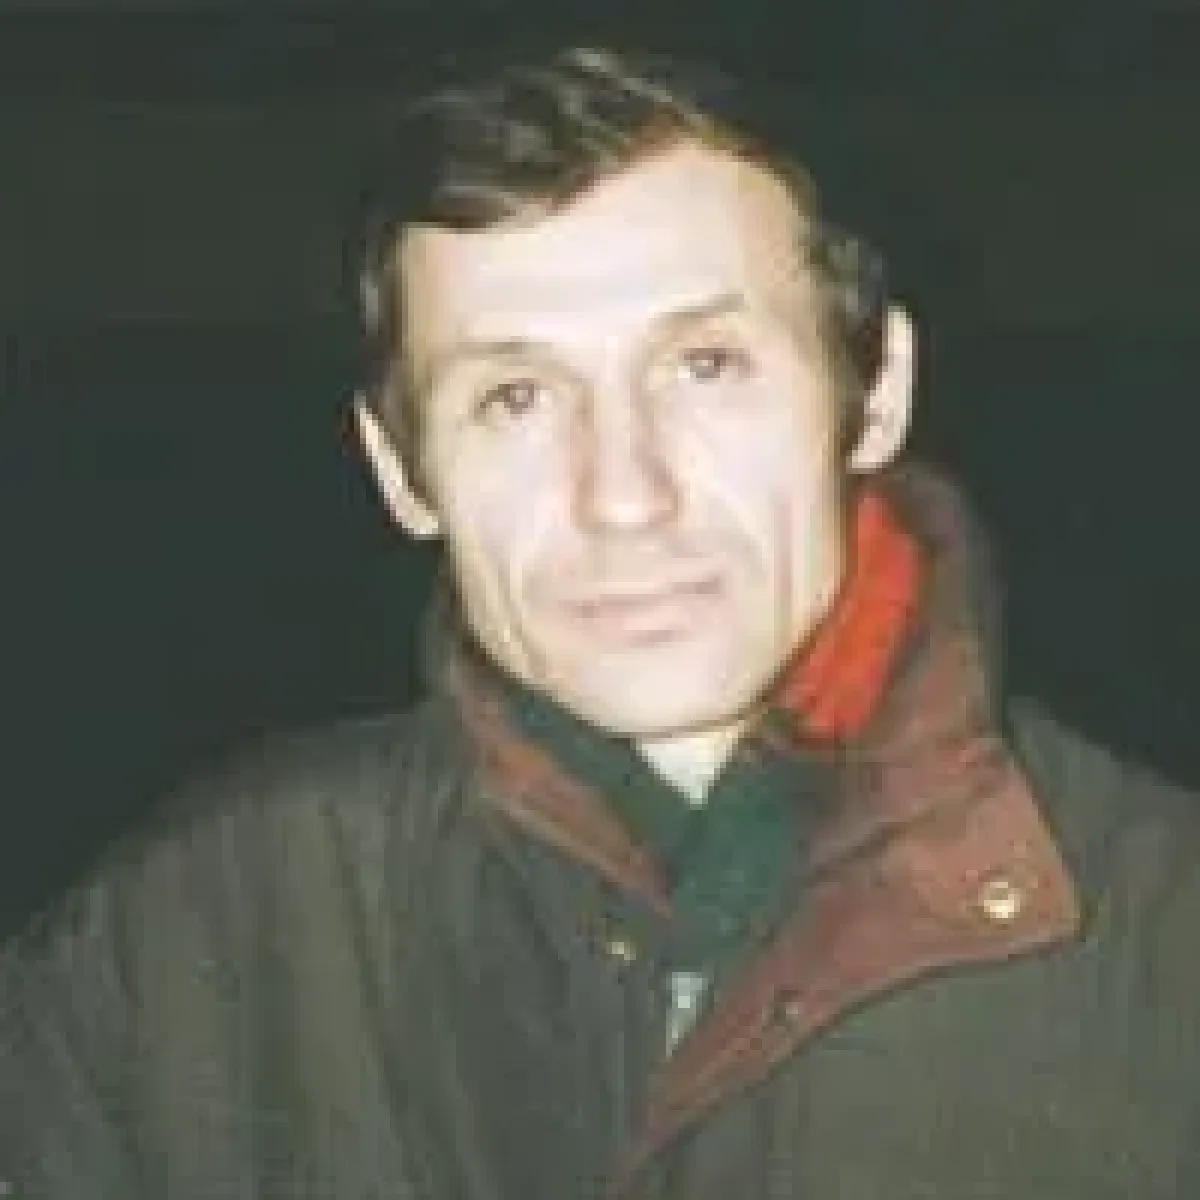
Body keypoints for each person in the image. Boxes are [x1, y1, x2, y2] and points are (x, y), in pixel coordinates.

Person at [4, 44, 1199, 1200]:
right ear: (401, 469)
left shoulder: (1164, 944)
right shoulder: (168, 951)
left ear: (876, 392)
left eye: (707, 366)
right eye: (516, 397)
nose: (623, 494)